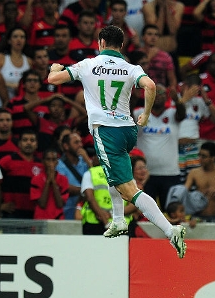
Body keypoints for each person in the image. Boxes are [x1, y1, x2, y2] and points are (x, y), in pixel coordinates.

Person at [48, 25, 187, 258]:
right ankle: (119, 220)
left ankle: (170, 229)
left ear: (100, 42)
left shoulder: (88, 64)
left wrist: (54, 67)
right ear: (121, 46)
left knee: (129, 190)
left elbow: (54, 79)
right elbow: (151, 86)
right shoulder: (131, 67)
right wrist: (146, 114)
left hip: (106, 131)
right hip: (128, 130)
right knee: (113, 171)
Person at [135, 83, 186, 208]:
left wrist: (177, 101)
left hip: (170, 173)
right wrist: (134, 97)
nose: (157, 95)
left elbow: (182, 114)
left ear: (167, 96)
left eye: (161, 92)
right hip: (145, 175)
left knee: (169, 211)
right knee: (145, 211)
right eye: (154, 92)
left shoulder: (173, 113)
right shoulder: (139, 113)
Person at [184, 141, 215, 222]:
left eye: (203, 156)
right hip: (197, 217)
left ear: (213, 158)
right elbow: (183, 193)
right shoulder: (194, 173)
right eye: (199, 155)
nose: (200, 159)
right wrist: (196, 196)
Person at [0, 129, 43, 218]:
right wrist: (0, 206)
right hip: (11, 214)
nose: (29, 143)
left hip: (34, 215)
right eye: (25, 140)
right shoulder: (7, 161)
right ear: (19, 144)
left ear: (37, 144)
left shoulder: (41, 165)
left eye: (32, 140)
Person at [0, 27, 33, 103]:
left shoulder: (29, 61)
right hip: (0, 103)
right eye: (15, 36)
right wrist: (14, 86)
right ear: (9, 40)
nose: (19, 40)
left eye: (22, 37)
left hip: (21, 105)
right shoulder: (0, 58)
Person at [56, 132, 91, 220]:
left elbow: (97, 178)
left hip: (85, 211)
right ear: (66, 146)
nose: (80, 145)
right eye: (76, 142)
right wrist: (87, 191)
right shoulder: (59, 164)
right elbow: (65, 187)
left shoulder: (85, 162)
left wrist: (87, 159)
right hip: (66, 210)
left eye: (80, 142)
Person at [31, 148, 70, 219]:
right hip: (41, 218)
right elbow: (42, 204)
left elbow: (60, 204)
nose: (51, 163)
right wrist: (48, 181)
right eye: (48, 159)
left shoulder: (63, 179)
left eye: (54, 160)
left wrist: (54, 182)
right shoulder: (36, 179)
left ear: (57, 162)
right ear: (43, 161)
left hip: (57, 219)